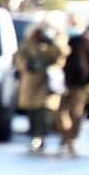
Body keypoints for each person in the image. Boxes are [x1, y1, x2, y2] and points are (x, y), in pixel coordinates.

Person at [14, 16, 67, 153]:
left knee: (45, 113)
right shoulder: (28, 43)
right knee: (33, 113)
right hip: (31, 83)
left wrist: (53, 43)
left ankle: (41, 136)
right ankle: (35, 136)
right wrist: (28, 65)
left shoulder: (53, 44)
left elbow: (60, 57)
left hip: (47, 84)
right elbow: (19, 58)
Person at [61, 19, 89, 155]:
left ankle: (71, 139)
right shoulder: (64, 40)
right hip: (62, 84)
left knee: (76, 114)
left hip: (80, 85)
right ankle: (66, 137)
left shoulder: (87, 42)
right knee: (61, 113)